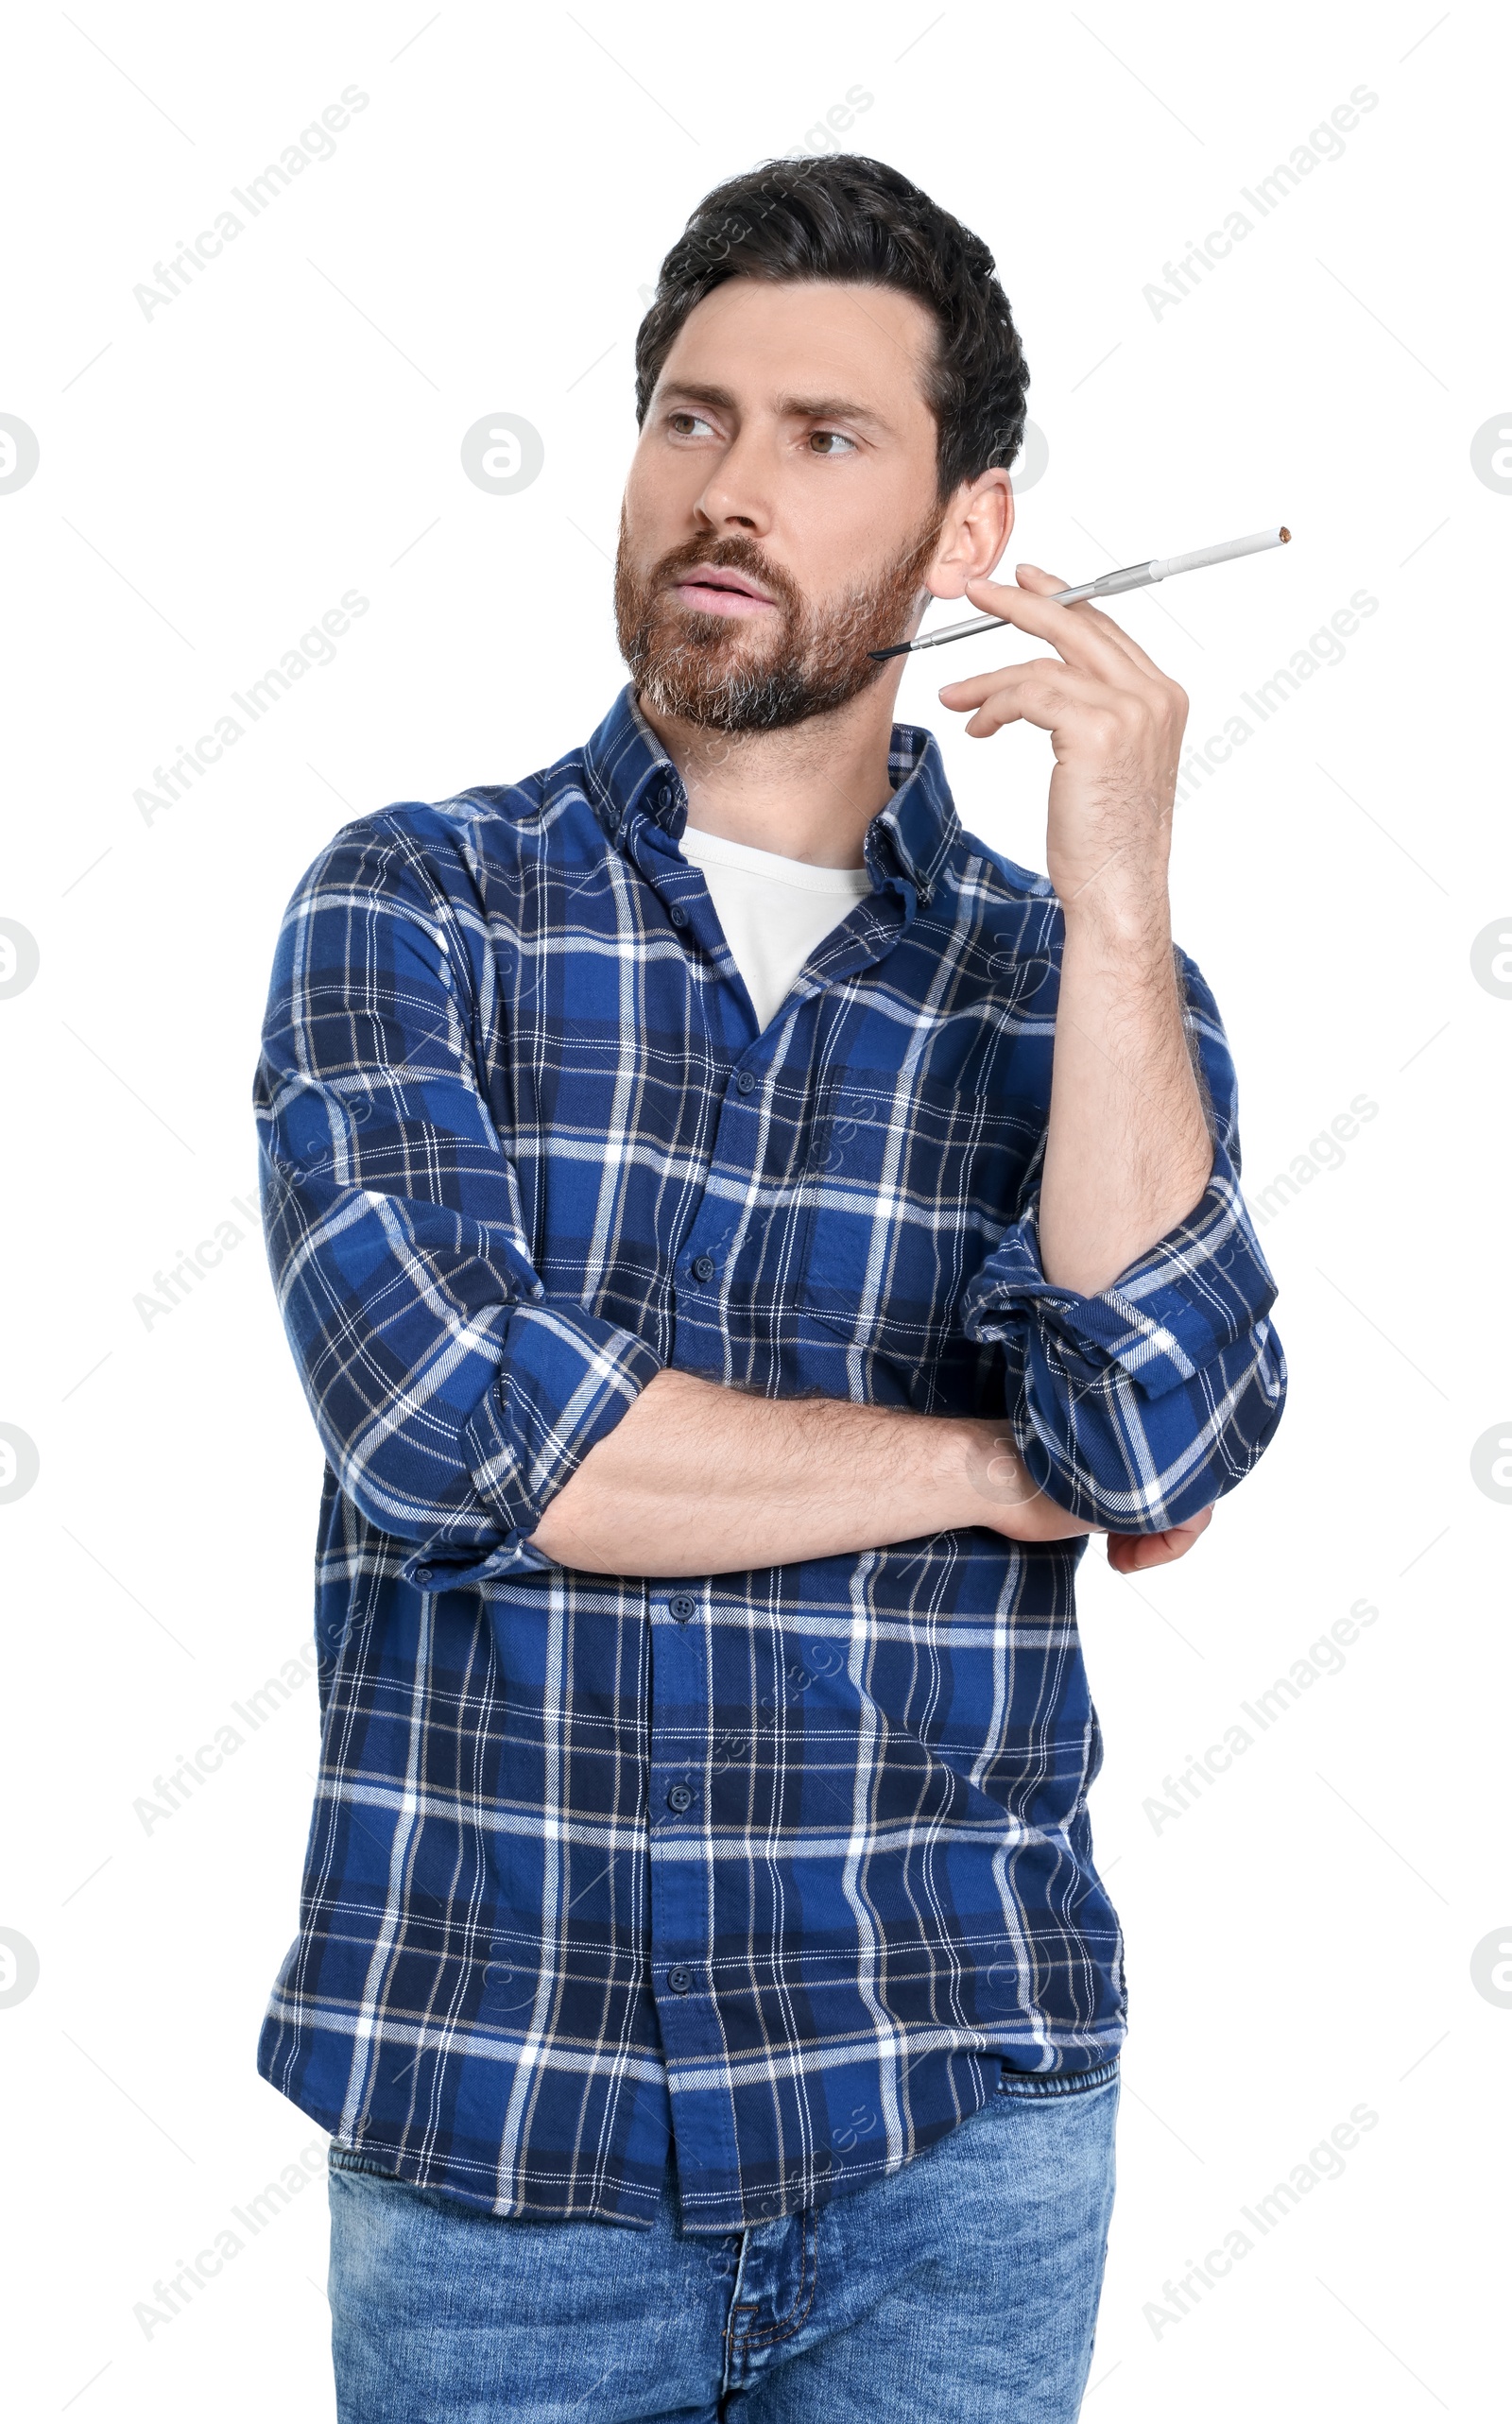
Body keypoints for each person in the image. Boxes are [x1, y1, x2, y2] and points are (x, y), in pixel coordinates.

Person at [252, 153, 1285, 2422]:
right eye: (689, 418)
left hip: (953, 2134)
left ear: (968, 533)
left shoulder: (1072, 992)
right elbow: (458, 1430)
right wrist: (985, 1462)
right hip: (498, 2141)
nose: (725, 489)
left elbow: (1160, 1439)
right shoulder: (416, 907)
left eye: (824, 439)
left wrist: (1112, 890)